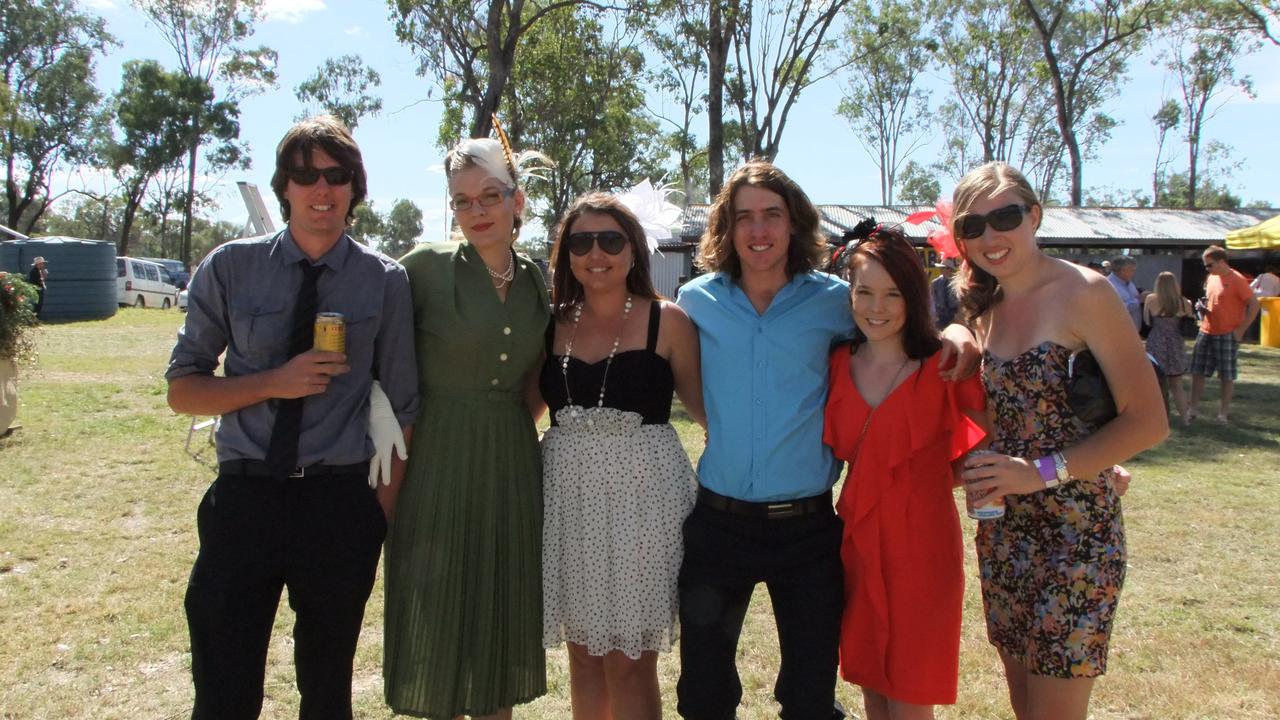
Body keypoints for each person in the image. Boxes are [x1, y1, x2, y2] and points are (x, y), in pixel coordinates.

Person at [674, 160, 979, 720]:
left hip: (809, 531)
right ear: (727, 226)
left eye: (772, 215)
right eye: (744, 217)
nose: (759, 230)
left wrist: (958, 329)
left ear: (794, 224)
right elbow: (688, 386)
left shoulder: (836, 301)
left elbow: (902, 329)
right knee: (704, 693)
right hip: (718, 525)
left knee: (811, 697)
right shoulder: (694, 301)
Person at [165, 115, 419, 719]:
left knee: (327, 692)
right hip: (245, 498)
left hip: (337, 506)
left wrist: (374, 518)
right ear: (284, 186)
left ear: (355, 188)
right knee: (224, 689)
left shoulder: (383, 281)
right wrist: (273, 382)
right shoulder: (230, 267)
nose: (321, 189)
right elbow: (183, 390)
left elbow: (404, 408)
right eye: (305, 175)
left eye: (336, 176)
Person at [951, 162, 1167, 720]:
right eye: (973, 227)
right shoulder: (986, 311)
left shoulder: (1085, 292)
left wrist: (1046, 471)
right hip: (1003, 534)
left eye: (1005, 217)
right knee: (1026, 706)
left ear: (1035, 215)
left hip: (1076, 536)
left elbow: (1148, 421)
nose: (991, 237)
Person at [381, 132, 552, 719]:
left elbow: (535, 383)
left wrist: (505, 427)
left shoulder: (537, 282)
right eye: (461, 200)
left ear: (517, 200)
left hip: (510, 465)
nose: (476, 211)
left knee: (497, 624)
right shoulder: (421, 270)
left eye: (489, 196)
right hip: (435, 461)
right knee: (442, 614)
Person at [540, 191, 706, 720]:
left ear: (634, 250)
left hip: (645, 507)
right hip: (568, 506)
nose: (596, 253)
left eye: (610, 240)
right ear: (566, 254)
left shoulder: (669, 321)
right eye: (581, 241)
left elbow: (708, 415)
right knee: (585, 656)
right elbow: (514, 411)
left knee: (630, 661)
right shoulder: (551, 324)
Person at [823, 224, 987, 720]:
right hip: (855, 537)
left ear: (913, 296)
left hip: (923, 541)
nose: (877, 307)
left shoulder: (947, 364)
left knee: (912, 690)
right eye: (865, 291)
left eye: (893, 293)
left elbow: (995, 440)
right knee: (871, 677)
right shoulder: (834, 361)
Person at [1187, 245, 1261, 424]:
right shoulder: (1211, 277)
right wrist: (1202, 308)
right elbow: (1213, 300)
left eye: (1210, 265)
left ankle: (1223, 413)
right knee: (1197, 371)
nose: (1207, 269)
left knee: (1226, 375)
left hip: (1228, 333)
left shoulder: (1237, 280)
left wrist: (1241, 330)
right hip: (1206, 330)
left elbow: (1254, 305)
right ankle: (1193, 408)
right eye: (1205, 266)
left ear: (1221, 262)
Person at [1142, 272, 1193, 421]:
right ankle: (1185, 418)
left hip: (1156, 341)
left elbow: (1147, 322)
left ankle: (1158, 417)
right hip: (1175, 342)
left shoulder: (1151, 299)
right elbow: (1189, 323)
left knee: (1156, 383)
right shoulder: (1184, 302)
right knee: (1177, 384)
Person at [1105, 255, 1142, 331]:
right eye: (1132, 270)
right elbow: (1114, 308)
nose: (1134, 273)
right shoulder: (1108, 285)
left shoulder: (1129, 283)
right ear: (1122, 270)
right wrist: (1139, 301)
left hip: (1132, 333)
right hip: (1116, 332)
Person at [930, 257, 960, 328]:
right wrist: (934, 314)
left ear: (949, 269)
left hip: (954, 313)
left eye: (943, 268)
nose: (940, 269)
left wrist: (959, 314)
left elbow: (961, 300)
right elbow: (933, 299)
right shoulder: (936, 283)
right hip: (941, 314)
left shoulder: (957, 282)